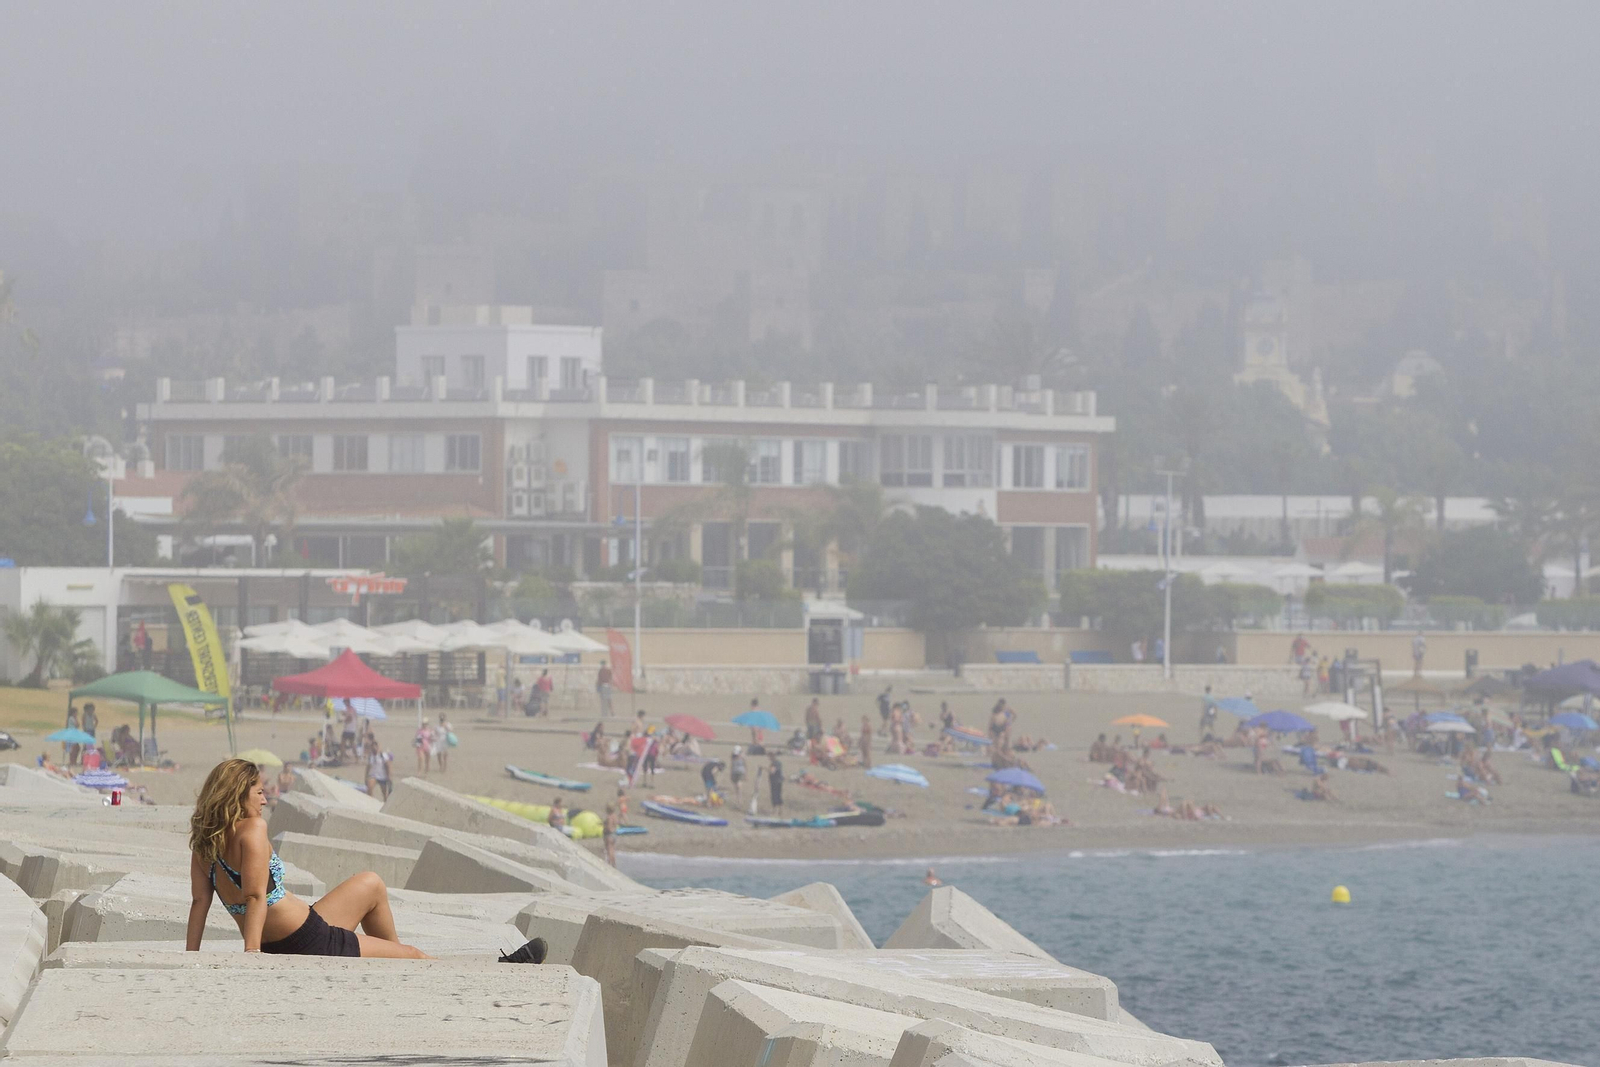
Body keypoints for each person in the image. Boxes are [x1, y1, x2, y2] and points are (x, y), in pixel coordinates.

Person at [186, 758, 430, 958]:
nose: (264, 799)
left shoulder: (204, 845)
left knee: (371, 883)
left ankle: (394, 956)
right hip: (306, 939)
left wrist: (191, 955)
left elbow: (199, 902)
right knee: (415, 954)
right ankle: (400, 957)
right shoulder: (253, 829)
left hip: (292, 932)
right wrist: (252, 952)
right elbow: (255, 895)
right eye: (259, 792)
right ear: (237, 795)